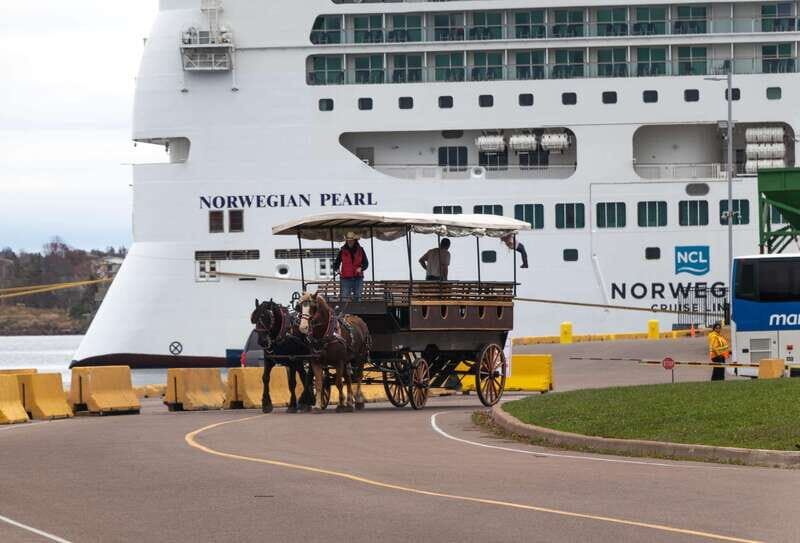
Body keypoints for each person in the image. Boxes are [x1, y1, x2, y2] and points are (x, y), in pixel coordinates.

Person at [333, 232, 368, 301]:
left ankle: (357, 311)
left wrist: (361, 268)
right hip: (345, 278)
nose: (350, 242)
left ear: (355, 240)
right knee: (344, 297)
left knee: (358, 297)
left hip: (358, 278)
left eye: (351, 240)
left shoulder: (361, 250)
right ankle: (345, 312)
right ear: (346, 241)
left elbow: (366, 263)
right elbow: (336, 263)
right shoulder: (342, 250)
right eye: (348, 240)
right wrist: (337, 269)